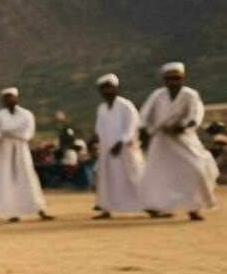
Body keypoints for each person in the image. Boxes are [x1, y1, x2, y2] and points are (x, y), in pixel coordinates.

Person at [138, 62, 217, 220]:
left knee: (197, 169)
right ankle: (154, 205)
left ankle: (194, 207)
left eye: (177, 78)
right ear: (165, 80)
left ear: (182, 78)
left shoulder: (190, 94)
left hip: (184, 139)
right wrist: (144, 130)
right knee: (158, 173)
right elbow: (145, 114)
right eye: (170, 78)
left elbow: (196, 114)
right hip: (161, 140)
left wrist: (185, 125)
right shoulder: (158, 95)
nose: (174, 81)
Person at [0, 88, 52, 222]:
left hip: (21, 152)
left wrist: (12, 133)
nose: (10, 100)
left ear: (16, 98)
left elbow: (28, 134)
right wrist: (2, 134)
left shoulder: (26, 114)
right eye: (7, 98)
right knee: (6, 180)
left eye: (12, 97)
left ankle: (39, 209)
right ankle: (11, 211)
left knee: (27, 178)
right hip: (5, 153)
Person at [91, 75, 145, 220]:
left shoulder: (126, 105)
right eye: (104, 89)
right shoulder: (102, 108)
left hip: (125, 150)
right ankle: (106, 208)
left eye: (109, 87)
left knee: (135, 176)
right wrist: (95, 140)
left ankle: (150, 206)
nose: (107, 91)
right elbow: (99, 128)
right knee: (107, 179)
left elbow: (132, 126)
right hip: (107, 150)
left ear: (116, 88)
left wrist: (120, 142)